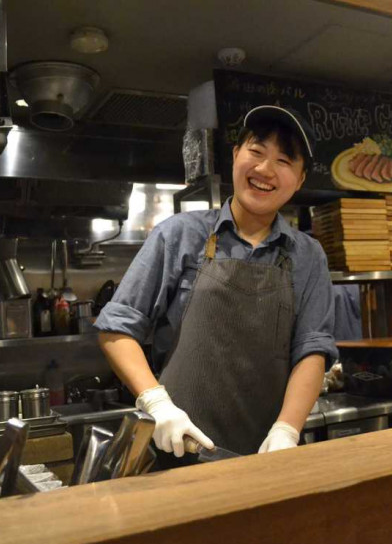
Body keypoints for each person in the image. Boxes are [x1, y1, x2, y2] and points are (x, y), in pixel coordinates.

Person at [95, 105, 337, 466]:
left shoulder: (308, 255)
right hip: (175, 452)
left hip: (263, 458)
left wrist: (287, 430)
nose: (265, 170)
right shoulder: (179, 235)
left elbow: (312, 350)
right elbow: (116, 328)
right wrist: (157, 404)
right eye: (256, 151)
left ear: (300, 179)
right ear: (236, 154)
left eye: (284, 160)